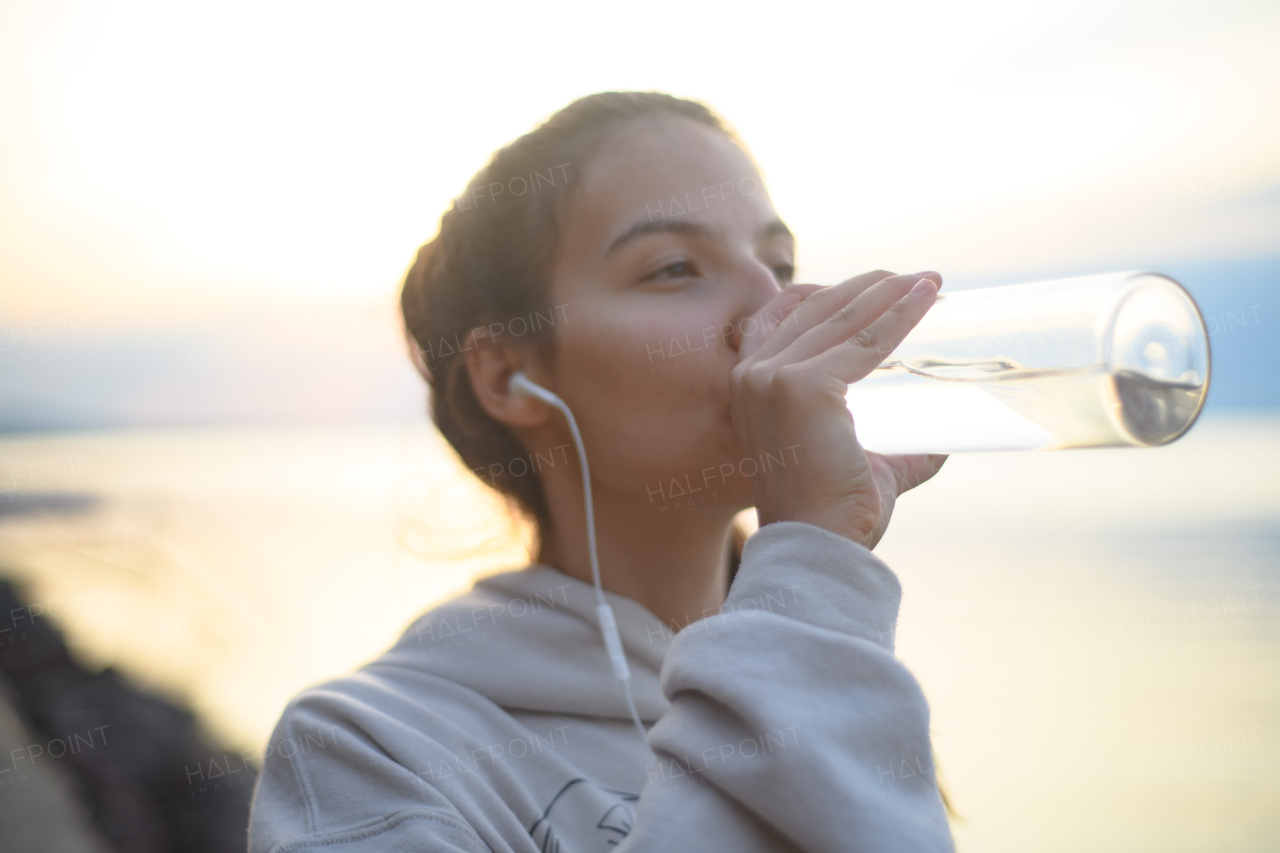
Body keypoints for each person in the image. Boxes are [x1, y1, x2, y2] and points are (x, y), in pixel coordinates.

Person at [248, 91, 955, 852]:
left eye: (778, 263)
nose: (772, 306)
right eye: (676, 268)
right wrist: (814, 564)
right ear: (510, 375)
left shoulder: (831, 659)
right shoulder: (368, 751)